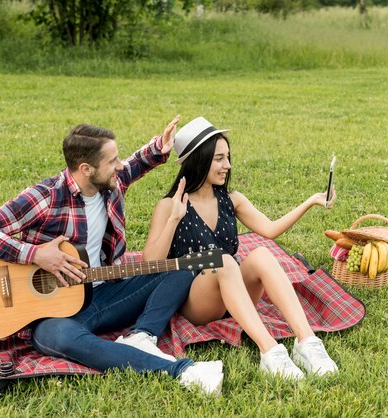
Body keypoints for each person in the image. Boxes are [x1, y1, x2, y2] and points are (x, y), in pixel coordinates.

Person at [0, 116, 223, 395]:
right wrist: (35, 255)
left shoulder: (108, 184)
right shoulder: (46, 197)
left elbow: (135, 164)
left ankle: (142, 336)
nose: (120, 166)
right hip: (55, 314)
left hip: (105, 293)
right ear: (86, 169)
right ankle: (182, 371)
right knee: (62, 338)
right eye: (112, 161)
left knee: (181, 268)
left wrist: (160, 145)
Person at [143, 117, 338, 380]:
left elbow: (270, 230)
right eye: (219, 159)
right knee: (222, 260)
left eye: (228, 157)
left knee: (260, 254)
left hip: (238, 293)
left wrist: (311, 201)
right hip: (198, 300)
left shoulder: (231, 199)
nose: (228, 165)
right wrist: (174, 219)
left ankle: (307, 343)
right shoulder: (170, 205)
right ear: (199, 160)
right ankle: (269, 351)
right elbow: (150, 262)